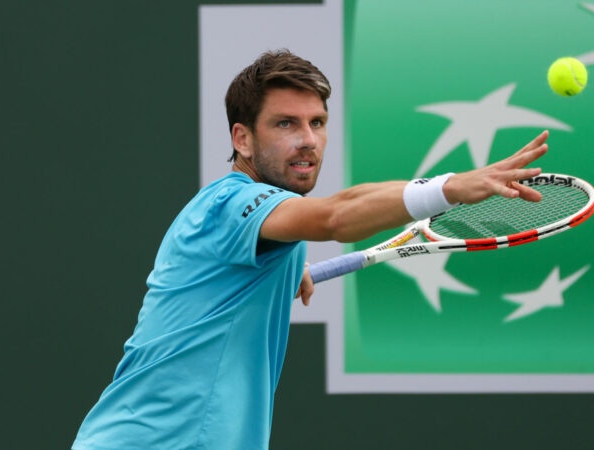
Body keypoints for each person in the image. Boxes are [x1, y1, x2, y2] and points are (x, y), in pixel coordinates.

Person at [72, 49, 549, 449]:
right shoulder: (230, 202)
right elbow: (336, 216)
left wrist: (279, 274)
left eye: (317, 122)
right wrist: (450, 187)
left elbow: (341, 206)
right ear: (242, 138)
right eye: (285, 124)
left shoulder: (264, 230)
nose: (308, 141)